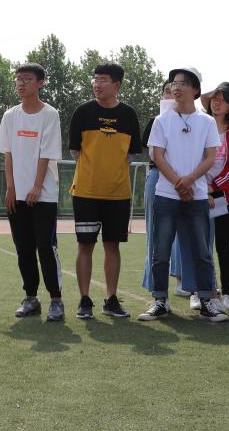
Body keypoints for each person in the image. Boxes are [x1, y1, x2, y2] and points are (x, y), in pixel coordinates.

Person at [139, 66, 228, 322]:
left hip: (196, 195)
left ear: (195, 90)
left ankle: (206, 301)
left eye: (183, 83)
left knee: (201, 251)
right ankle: (160, 300)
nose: (176, 87)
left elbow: (210, 157)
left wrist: (189, 181)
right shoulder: (161, 120)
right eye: (174, 83)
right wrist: (179, 183)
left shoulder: (206, 122)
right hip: (166, 194)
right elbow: (158, 156)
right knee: (161, 250)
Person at [69, 62, 141, 320]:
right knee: (85, 245)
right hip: (86, 192)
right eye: (95, 79)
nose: (96, 84)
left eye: (102, 80)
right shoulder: (82, 112)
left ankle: (111, 299)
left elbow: (131, 154)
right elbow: (75, 151)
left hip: (118, 194)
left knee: (113, 246)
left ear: (116, 85)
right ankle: (84, 299)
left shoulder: (129, 115)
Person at [0, 64, 64, 321]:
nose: (21, 83)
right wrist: (12, 188)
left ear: (40, 83)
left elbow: (46, 153)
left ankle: (56, 300)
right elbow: (8, 154)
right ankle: (31, 298)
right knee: (23, 248)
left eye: (27, 79)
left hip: (43, 195)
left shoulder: (50, 114)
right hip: (17, 195)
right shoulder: (10, 116)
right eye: (18, 79)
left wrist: (36, 187)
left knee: (46, 247)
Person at [200, 82, 229, 312]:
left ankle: (226, 293)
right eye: (214, 98)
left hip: (224, 196)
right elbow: (193, 158)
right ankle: (202, 292)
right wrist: (203, 187)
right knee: (201, 245)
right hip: (199, 192)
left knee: (224, 246)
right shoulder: (200, 126)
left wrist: (214, 187)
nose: (216, 103)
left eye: (222, 100)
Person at [142, 81, 176, 293]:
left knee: (186, 236)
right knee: (155, 233)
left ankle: (186, 284)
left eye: (175, 91)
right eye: (166, 91)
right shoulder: (155, 121)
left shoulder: (197, 121)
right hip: (158, 176)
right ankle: (156, 288)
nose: (171, 95)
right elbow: (155, 154)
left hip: (186, 179)